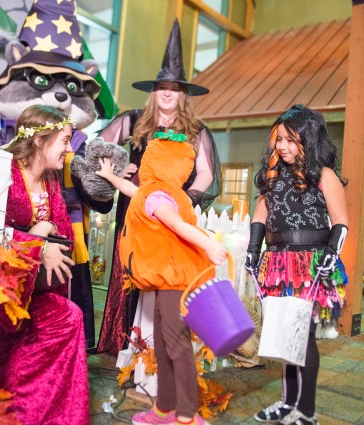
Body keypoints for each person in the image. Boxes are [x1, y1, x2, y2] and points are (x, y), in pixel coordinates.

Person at [96, 19, 221, 356]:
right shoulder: (133, 119)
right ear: (154, 91)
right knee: (131, 268)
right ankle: (123, 343)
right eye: (162, 86)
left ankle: (156, 348)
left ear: (183, 94)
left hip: (170, 211)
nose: (167, 92)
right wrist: (120, 166)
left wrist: (184, 200)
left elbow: (206, 173)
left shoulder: (196, 130)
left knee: (166, 277)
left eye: (174, 88)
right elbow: (97, 149)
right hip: (135, 208)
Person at [96, 129, 227, 425]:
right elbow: (130, 190)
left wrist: (208, 244)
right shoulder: (158, 193)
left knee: (176, 346)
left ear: (154, 163)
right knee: (165, 345)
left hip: (174, 282)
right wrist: (111, 177)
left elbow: (178, 225)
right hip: (167, 281)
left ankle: (187, 414)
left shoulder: (159, 198)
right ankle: (166, 408)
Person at [245, 105, 349, 425]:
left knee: (302, 337)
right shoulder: (272, 176)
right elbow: (260, 217)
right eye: (279, 139)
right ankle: (287, 402)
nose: (282, 146)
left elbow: (341, 223)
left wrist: (331, 254)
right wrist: (253, 249)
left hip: (310, 265)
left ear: (309, 139)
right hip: (277, 264)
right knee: (282, 333)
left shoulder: (325, 175)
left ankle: (306, 410)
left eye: (291, 140)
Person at [0, 105, 89, 425]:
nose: (69, 150)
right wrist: (37, 241)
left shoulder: (50, 181)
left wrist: (48, 233)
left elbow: (64, 232)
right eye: (65, 141)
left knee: (70, 316)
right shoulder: (3, 173)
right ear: (39, 140)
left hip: (34, 287)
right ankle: (12, 407)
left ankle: (54, 413)